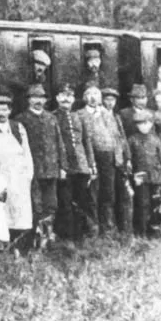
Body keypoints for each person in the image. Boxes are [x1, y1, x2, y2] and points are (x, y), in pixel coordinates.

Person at [0, 96, 34, 252]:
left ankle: (20, 246)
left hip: (18, 175)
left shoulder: (17, 127)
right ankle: (3, 246)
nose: (1, 113)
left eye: (4, 109)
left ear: (10, 111)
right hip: (0, 174)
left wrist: (28, 174)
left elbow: (26, 151)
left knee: (20, 210)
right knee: (2, 210)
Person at [79, 86, 129, 236]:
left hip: (108, 157)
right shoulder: (80, 115)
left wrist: (119, 157)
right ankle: (92, 229)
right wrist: (89, 161)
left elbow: (117, 137)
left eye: (96, 94)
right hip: (92, 157)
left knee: (108, 193)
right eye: (89, 94)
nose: (93, 97)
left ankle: (107, 227)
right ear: (84, 97)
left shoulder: (108, 114)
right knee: (92, 194)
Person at [19, 85, 63, 249]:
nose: (38, 101)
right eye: (34, 97)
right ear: (29, 100)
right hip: (33, 170)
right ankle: (34, 240)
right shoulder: (22, 119)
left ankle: (48, 237)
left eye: (41, 98)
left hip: (51, 169)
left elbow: (59, 143)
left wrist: (62, 166)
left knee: (51, 204)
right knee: (35, 205)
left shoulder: (51, 118)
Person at [53, 85, 96, 239]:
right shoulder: (54, 117)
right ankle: (67, 236)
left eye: (70, 96)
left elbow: (86, 141)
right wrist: (61, 166)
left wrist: (91, 165)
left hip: (81, 165)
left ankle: (81, 235)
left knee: (82, 201)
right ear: (57, 98)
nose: (66, 99)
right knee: (65, 202)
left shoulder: (78, 117)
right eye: (63, 95)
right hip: (66, 167)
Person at [124, 110, 161, 236]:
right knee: (143, 203)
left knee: (155, 203)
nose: (144, 126)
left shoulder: (155, 140)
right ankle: (142, 231)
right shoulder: (132, 140)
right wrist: (132, 176)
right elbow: (129, 160)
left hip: (156, 176)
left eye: (147, 123)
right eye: (141, 124)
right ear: (137, 125)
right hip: (141, 177)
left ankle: (155, 229)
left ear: (151, 124)